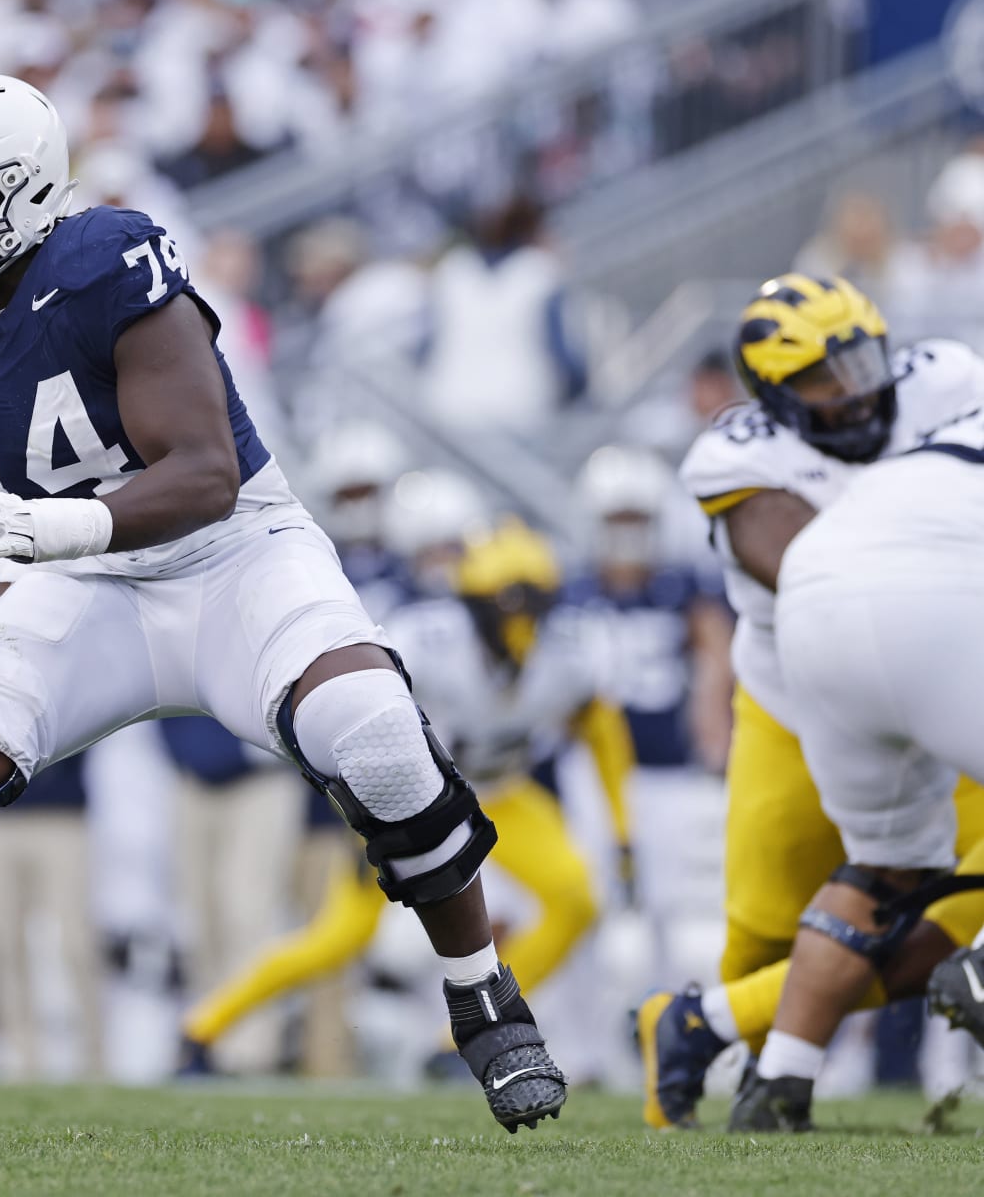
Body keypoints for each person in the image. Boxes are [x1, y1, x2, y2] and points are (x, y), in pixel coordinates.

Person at [0, 73, 567, 1145]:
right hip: (87, 587)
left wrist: (62, 530)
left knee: (373, 733)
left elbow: (203, 472)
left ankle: (482, 996)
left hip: (234, 557)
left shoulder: (105, 265)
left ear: (30, 194)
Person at [641, 274, 984, 1129]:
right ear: (775, 398)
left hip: (924, 660)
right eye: (825, 381)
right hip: (802, 698)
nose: (858, 390)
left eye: (864, 361)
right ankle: (719, 1032)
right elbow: (807, 570)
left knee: (924, 884)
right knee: (760, 930)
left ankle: (745, 1049)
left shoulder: (943, 375)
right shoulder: (736, 454)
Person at [176, 521, 630, 1073]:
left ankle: (465, 1038)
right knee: (340, 937)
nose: (520, 623)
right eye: (506, 606)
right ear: (472, 605)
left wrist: (622, 827)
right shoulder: (430, 640)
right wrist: (357, 815)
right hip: (415, 802)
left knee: (576, 900)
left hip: (505, 794)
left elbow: (602, 732)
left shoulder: (571, 654)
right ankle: (205, 1027)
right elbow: (356, 714)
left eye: (533, 605)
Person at [565, 444, 733, 987]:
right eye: (618, 519)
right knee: (589, 901)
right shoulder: (573, 593)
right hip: (591, 771)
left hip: (666, 768)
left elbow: (717, 660)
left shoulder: (683, 589)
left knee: (668, 908)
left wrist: (714, 732)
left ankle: (661, 1023)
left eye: (638, 519)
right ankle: (584, 1044)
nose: (628, 531)